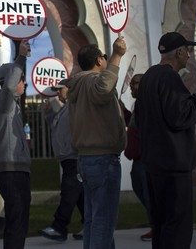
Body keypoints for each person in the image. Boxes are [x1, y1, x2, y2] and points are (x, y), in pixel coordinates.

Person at [136, 31, 196, 249]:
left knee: (162, 225)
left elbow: (140, 119)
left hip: (154, 164)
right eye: (187, 51)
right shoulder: (169, 77)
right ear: (179, 52)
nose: (189, 56)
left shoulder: (150, 76)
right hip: (172, 165)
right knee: (177, 228)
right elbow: (181, 116)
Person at [66, 37, 125, 249]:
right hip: (102, 160)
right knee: (103, 220)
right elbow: (103, 89)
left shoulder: (79, 84)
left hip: (88, 159)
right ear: (99, 60)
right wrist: (117, 55)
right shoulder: (92, 82)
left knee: (93, 219)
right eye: (104, 58)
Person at [0, 40, 32, 249]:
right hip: (12, 173)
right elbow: (8, 89)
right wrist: (21, 57)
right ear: (12, 81)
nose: (24, 83)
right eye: (22, 79)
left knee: (21, 221)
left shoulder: (8, 105)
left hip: (18, 171)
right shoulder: (2, 104)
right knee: (16, 222)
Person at [39, 80, 84, 243]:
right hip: (67, 157)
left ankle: (59, 226)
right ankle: (89, 223)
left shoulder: (76, 106)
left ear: (71, 89)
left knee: (69, 192)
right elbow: (55, 125)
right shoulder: (65, 108)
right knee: (78, 193)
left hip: (74, 157)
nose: (57, 92)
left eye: (60, 89)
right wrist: (48, 112)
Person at [127, 73, 152, 241]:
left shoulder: (149, 103)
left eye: (134, 84)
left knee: (148, 192)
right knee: (139, 187)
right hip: (138, 156)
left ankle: (157, 225)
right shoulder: (138, 104)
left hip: (146, 157)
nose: (131, 88)